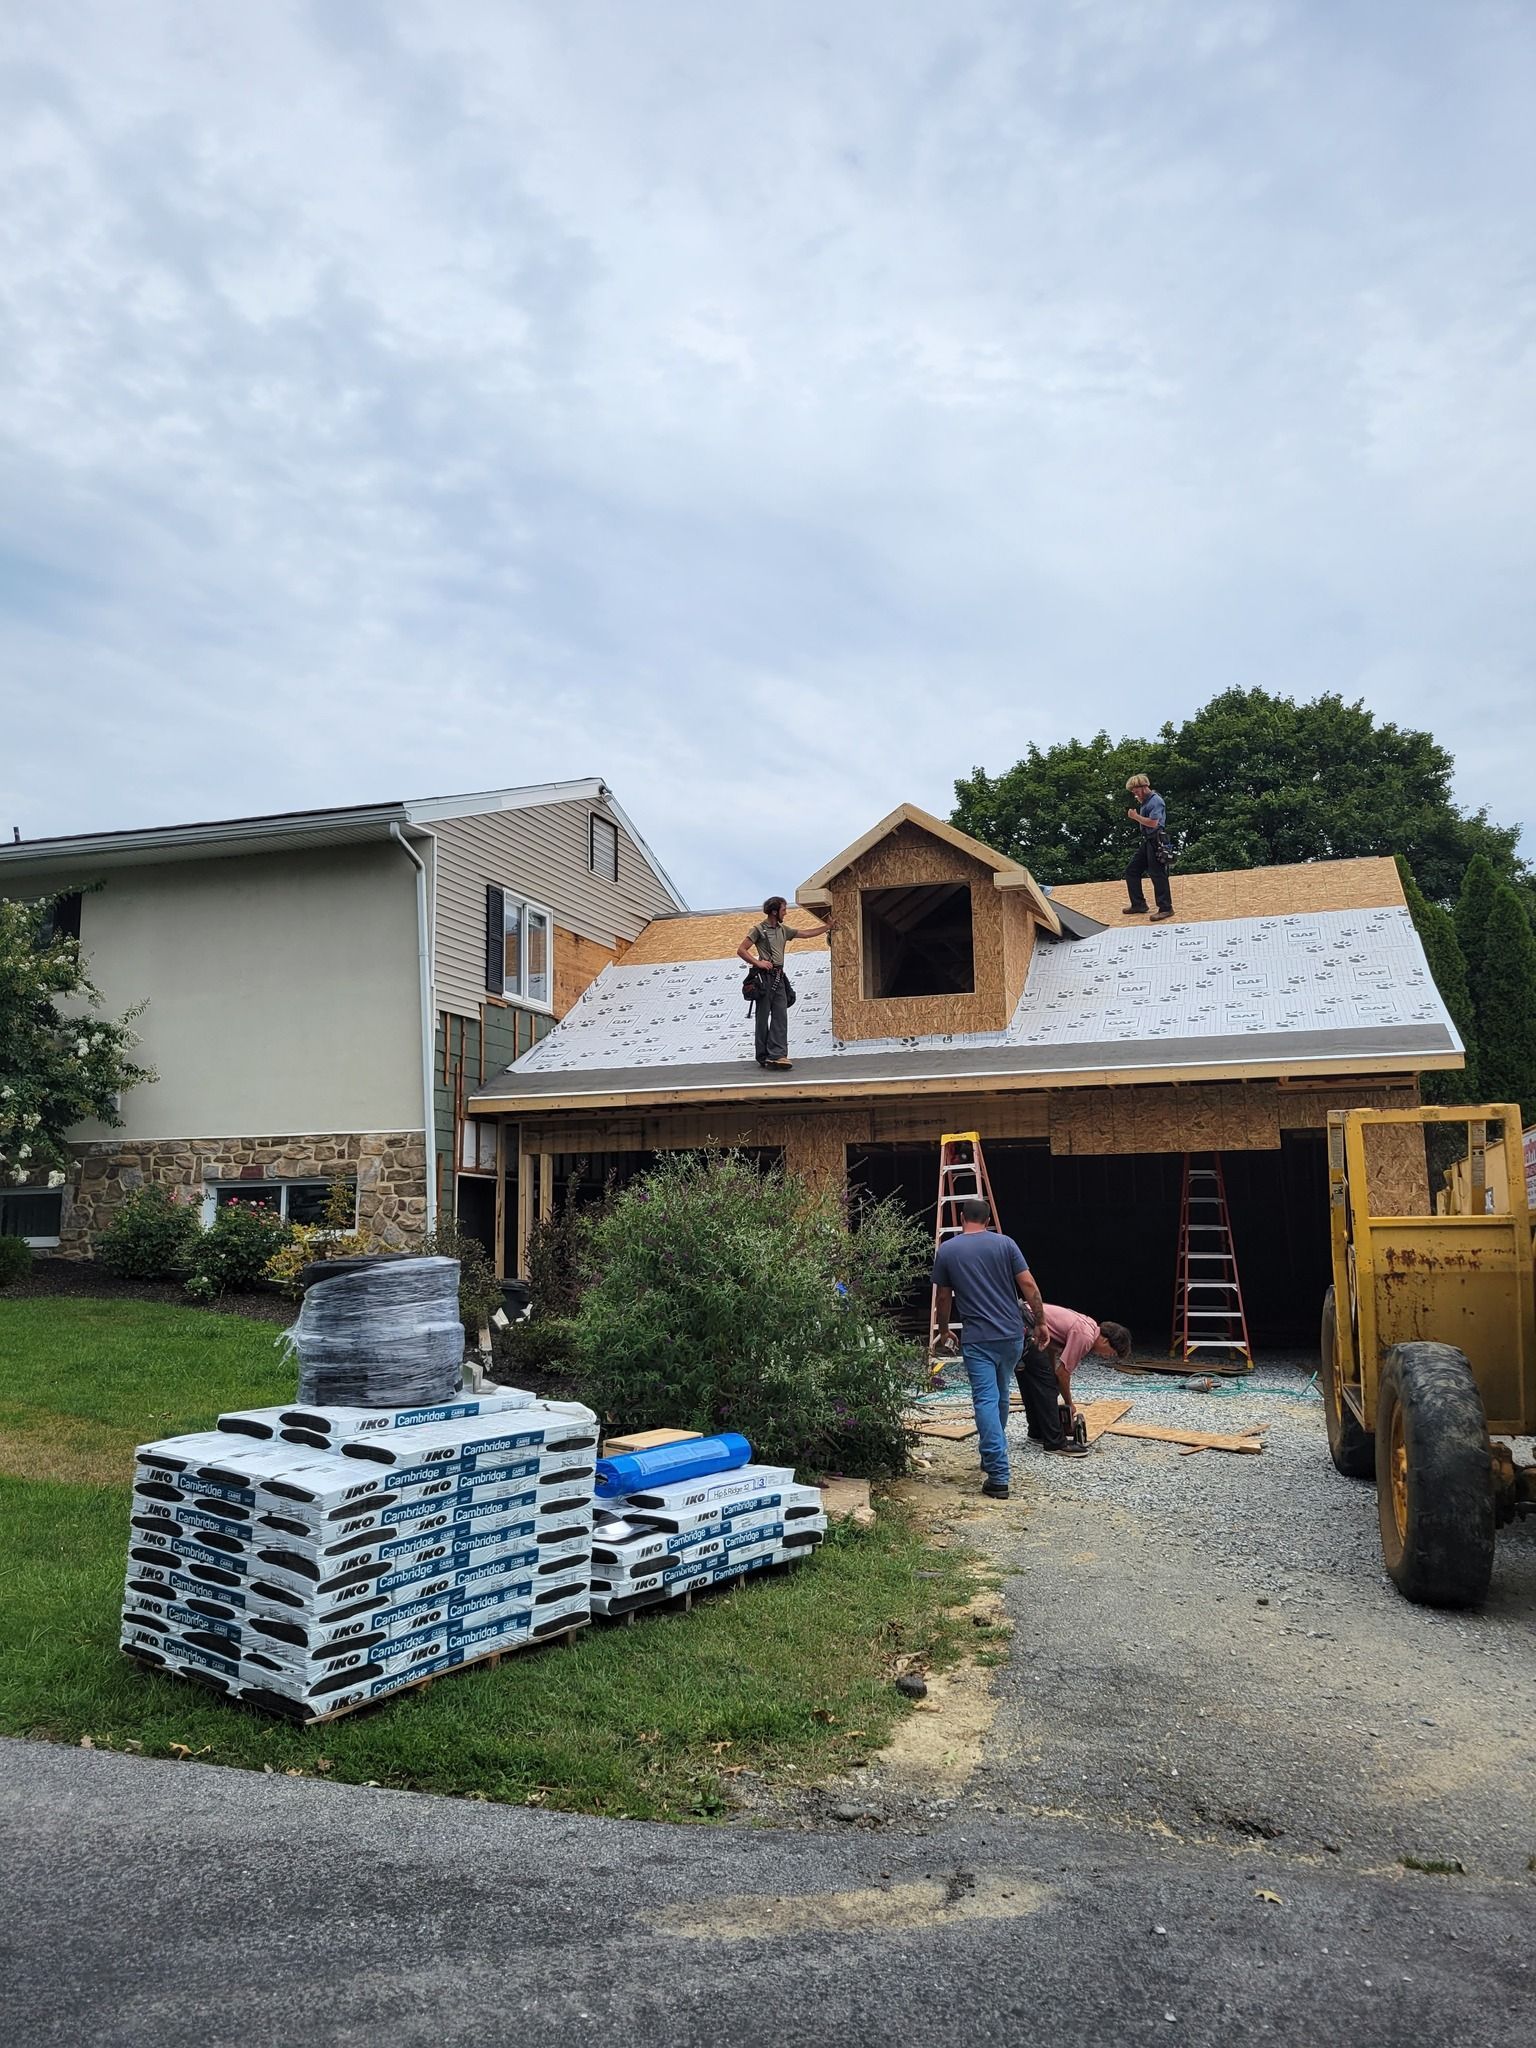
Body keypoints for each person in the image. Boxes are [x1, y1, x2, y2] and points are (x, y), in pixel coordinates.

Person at [931, 1198, 1049, 1500]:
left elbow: (943, 1298)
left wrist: (944, 1330)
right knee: (999, 1395)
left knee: (985, 1399)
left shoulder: (948, 1250)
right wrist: (1041, 1323)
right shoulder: (1006, 1244)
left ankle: (998, 1475)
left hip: (978, 1338)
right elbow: (1029, 1285)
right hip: (1011, 1335)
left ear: (961, 1217)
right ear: (987, 1221)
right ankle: (990, 1458)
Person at [1017, 1305, 1133, 1455]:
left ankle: (1036, 1432)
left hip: (1020, 1318)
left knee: (1031, 1380)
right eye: (1112, 1353)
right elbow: (1063, 1374)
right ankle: (1055, 1443)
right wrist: (1069, 1403)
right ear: (1105, 1341)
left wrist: (1050, 1374)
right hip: (1027, 1323)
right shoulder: (1086, 1337)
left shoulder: (1089, 1325)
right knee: (1047, 1386)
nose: (1108, 1356)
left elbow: (1050, 1345)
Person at [737, 896, 835, 1069]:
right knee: (762, 1018)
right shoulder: (758, 930)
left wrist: (827, 927)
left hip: (779, 977)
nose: (786, 913)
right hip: (764, 978)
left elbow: (804, 934)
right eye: (784, 910)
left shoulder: (783, 929)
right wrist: (758, 963)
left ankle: (778, 1055)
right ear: (774, 911)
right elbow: (741, 950)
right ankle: (763, 1055)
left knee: (780, 1016)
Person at [1122, 774, 1174, 921]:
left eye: (1135, 790)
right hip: (1148, 840)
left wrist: (1135, 816)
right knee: (1131, 870)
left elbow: (1153, 823)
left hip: (1156, 839)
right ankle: (1138, 904)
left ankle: (1166, 908)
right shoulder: (1145, 801)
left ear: (1144, 787)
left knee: (1157, 874)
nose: (1134, 793)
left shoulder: (1155, 801)